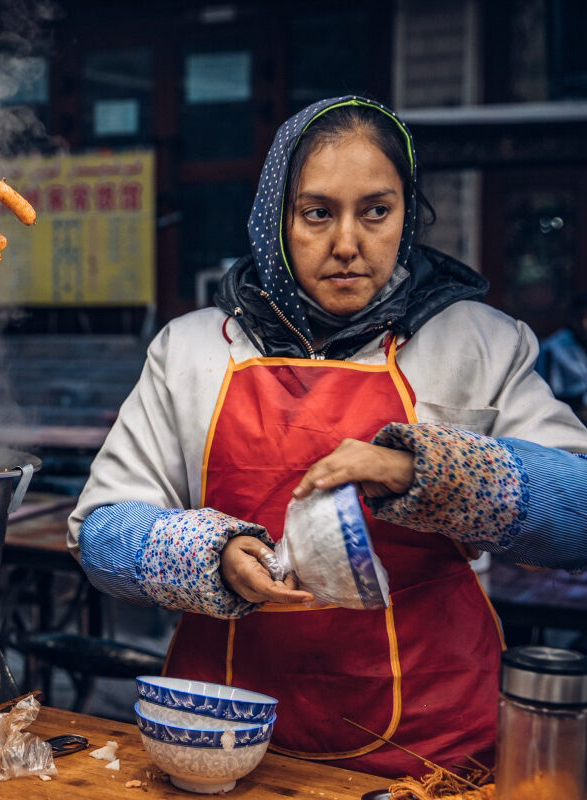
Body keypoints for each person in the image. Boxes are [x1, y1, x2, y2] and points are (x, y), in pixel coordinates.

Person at [68, 96, 587, 780]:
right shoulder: (192, 350)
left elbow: (578, 517)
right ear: (275, 218)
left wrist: (419, 468)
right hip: (221, 752)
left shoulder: (478, 343)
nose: (348, 243)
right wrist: (212, 556)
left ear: (409, 210)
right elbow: (102, 533)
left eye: (376, 211)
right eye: (317, 213)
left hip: (431, 756)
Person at [535, 293, 587, 422]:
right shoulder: (552, 348)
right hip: (567, 416)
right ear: (573, 317)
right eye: (582, 316)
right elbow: (544, 394)